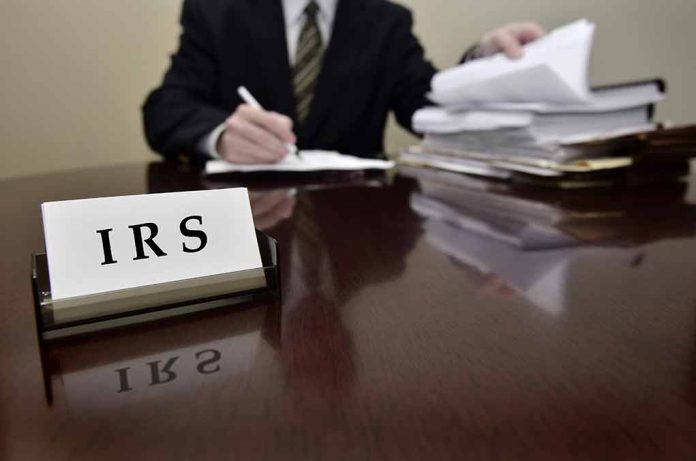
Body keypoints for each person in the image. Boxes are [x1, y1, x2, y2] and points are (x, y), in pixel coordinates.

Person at [142, 0, 544, 163]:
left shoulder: (387, 21)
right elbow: (166, 108)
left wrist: (484, 62)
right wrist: (220, 136)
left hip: (357, 224)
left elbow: (429, 105)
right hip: (249, 225)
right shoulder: (216, 11)